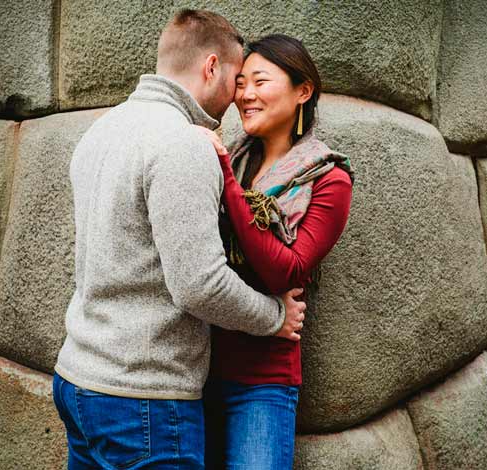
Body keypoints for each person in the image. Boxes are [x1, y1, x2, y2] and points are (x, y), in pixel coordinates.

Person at [51, 11, 307, 469]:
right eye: (234, 79)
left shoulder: (101, 130)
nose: (237, 98)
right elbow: (199, 284)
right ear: (211, 67)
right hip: (142, 399)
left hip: (77, 381)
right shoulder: (184, 144)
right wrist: (274, 316)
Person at [198, 34, 354, 469]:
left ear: (303, 90)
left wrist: (228, 182)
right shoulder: (236, 160)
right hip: (195, 370)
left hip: (261, 384)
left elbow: (287, 271)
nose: (245, 95)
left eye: (260, 82)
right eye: (241, 83)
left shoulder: (328, 179)